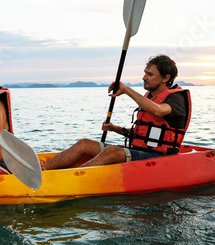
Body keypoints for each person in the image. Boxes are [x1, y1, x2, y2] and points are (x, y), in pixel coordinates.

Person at [43, 54, 191, 170]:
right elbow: (142, 134)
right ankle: (44, 169)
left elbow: (158, 111)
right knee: (84, 144)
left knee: (112, 151)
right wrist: (114, 128)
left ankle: (71, 179)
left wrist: (126, 89)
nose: (144, 77)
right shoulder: (150, 97)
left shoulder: (176, 99)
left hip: (157, 157)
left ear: (166, 78)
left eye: (150, 74)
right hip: (137, 150)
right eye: (145, 73)